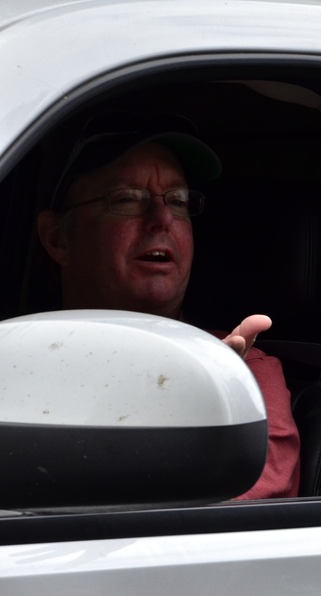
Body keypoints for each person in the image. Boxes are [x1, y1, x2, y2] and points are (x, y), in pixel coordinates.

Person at [36, 111, 301, 500]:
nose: (161, 218)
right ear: (58, 238)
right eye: (126, 199)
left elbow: (228, 532)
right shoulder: (17, 362)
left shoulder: (242, 374)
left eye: (178, 201)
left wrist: (197, 401)